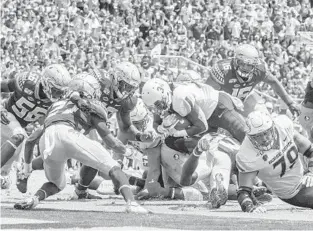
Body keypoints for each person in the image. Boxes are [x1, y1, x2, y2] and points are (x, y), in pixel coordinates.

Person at [13, 73, 149, 214]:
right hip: (69, 135)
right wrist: (131, 153)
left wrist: (26, 170)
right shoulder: (90, 106)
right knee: (113, 167)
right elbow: (111, 142)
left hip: (47, 141)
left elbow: (30, 140)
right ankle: (131, 203)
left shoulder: (56, 105)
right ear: (89, 90)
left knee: (57, 184)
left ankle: (34, 199)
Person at [0, 64, 71, 187]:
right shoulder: (28, 81)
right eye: (55, 89)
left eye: (60, 91)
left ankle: (5, 174)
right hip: (6, 115)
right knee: (19, 136)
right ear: (45, 83)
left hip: (17, 129)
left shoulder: (57, 101)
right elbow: (2, 86)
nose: (58, 94)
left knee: (5, 177)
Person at [236, 111, 313, 213]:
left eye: (265, 133)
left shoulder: (283, 125)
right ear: (250, 136)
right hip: (293, 191)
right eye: (257, 136)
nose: (264, 139)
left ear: (272, 127)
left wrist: (311, 172)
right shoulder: (247, 154)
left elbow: (310, 151)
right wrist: (250, 207)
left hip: (306, 177)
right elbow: (243, 192)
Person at [205, 44, 300, 117]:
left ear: (254, 65)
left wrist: (290, 102)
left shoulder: (259, 69)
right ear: (235, 61)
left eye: (249, 65)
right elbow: (206, 93)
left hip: (246, 98)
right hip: (224, 103)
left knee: (263, 119)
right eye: (242, 63)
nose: (245, 68)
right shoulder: (224, 70)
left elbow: (273, 82)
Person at [141, 77, 247, 143]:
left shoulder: (179, 97)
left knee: (245, 136)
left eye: (158, 105)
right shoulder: (163, 97)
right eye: (153, 107)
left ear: (165, 94)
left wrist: (177, 133)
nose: (157, 110)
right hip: (207, 117)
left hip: (219, 108)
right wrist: (161, 128)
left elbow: (202, 126)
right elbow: (155, 123)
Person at [299, 76, 313, 141]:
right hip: (307, 110)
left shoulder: (309, 85)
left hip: (306, 109)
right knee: (308, 130)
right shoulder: (309, 84)